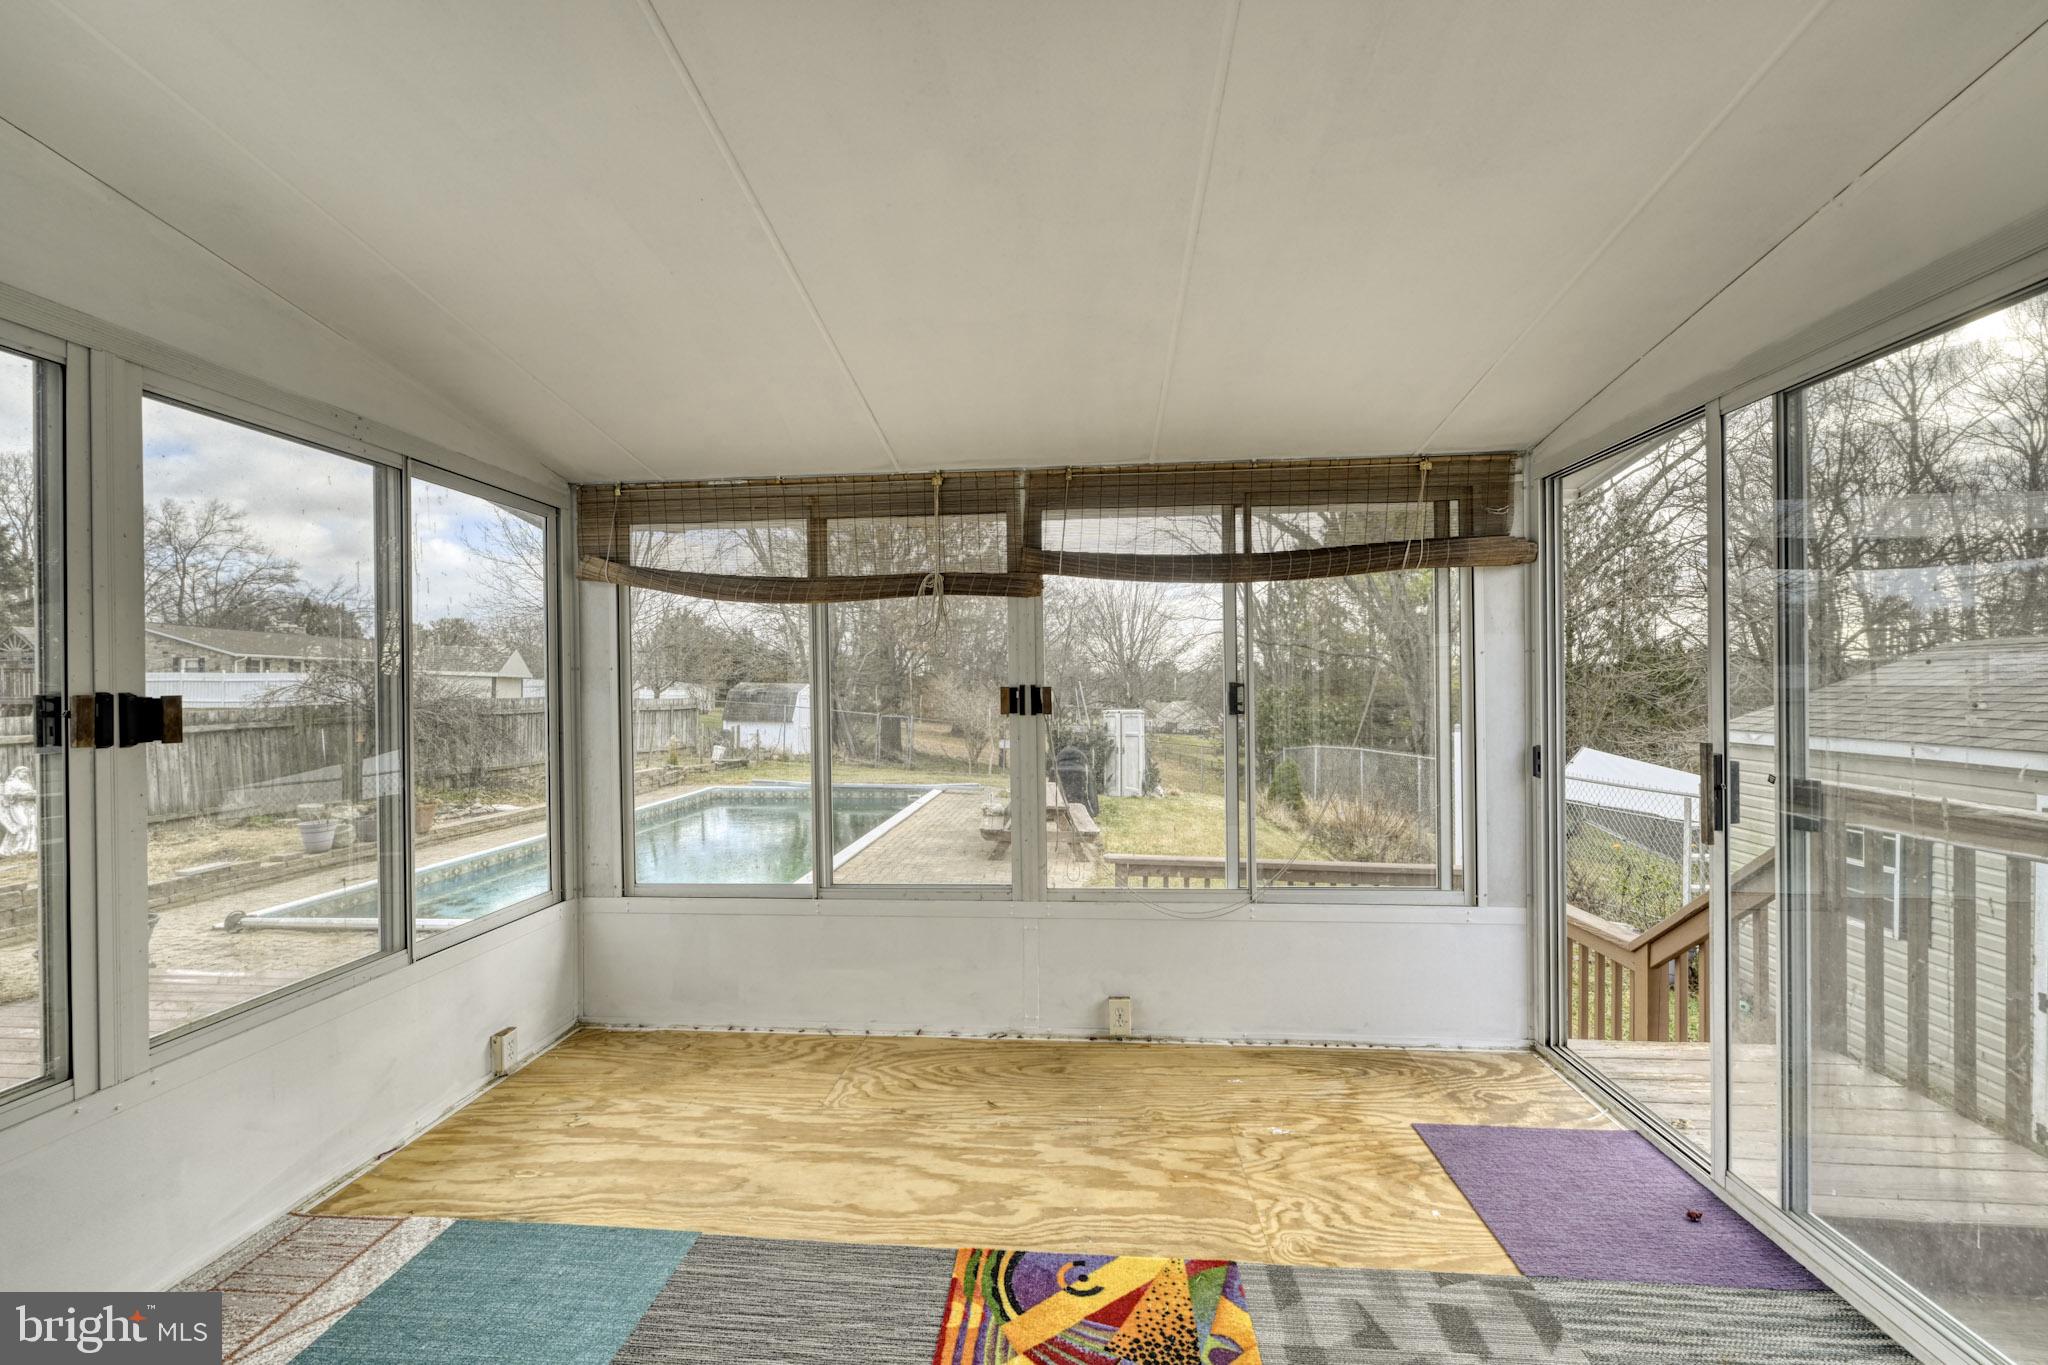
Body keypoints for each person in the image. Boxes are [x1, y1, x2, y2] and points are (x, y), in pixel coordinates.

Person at [0, 764, 36, 857]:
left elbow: (32, 793)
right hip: (18, 806)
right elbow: (7, 795)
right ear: (16, 773)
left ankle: (29, 847)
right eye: (23, 772)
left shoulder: (26, 783)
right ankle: (13, 848)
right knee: (23, 825)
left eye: (26, 773)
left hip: (30, 806)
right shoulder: (10, 783)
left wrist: (32, 794)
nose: (24, 774)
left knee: (32, 825)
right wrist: (19, 794)